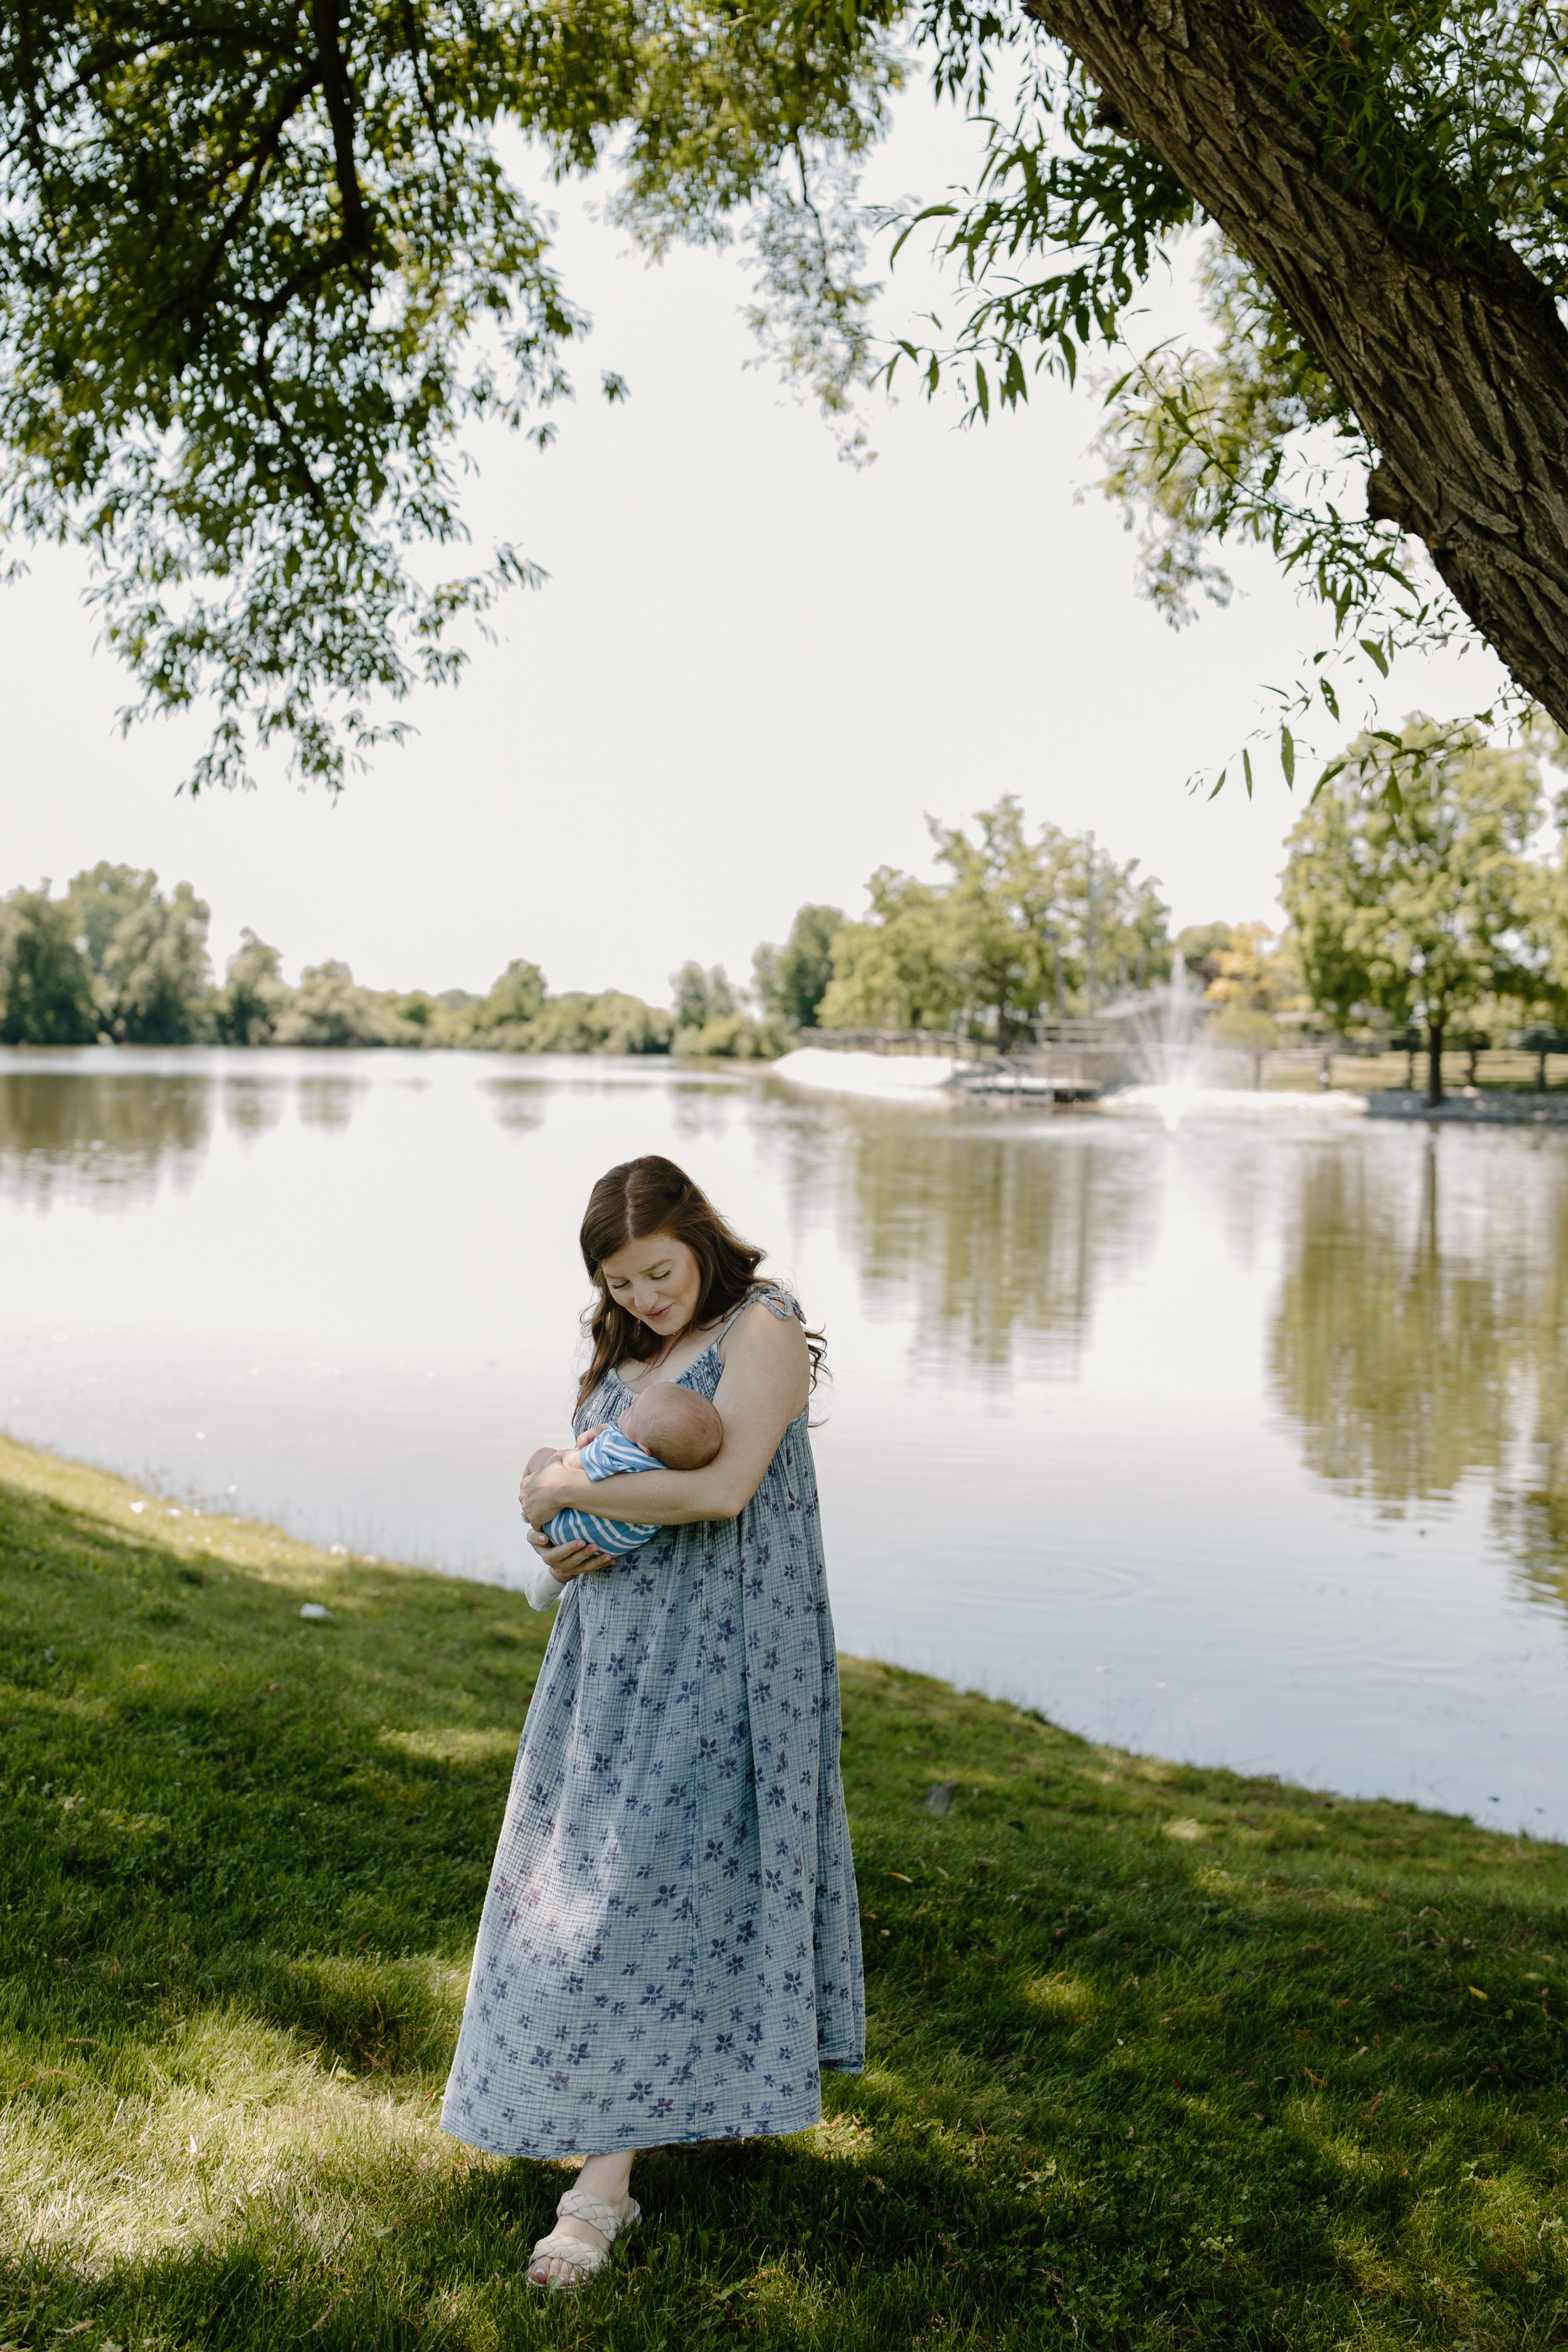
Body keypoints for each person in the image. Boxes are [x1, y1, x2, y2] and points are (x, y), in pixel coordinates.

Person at [440, 1153, 865, 2291]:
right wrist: (557, 1517)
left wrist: (564, 1494)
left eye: (660, 1273)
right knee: (591, 1879)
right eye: (623, 1284)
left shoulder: (762, 1326)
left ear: (701, 1240)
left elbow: (721, 1491)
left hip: (723, 1643)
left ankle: (598, 2195)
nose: (645, 1300)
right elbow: (601, 1470)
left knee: (633, 1891)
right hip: (612, 1647)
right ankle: (652, 2096)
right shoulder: (633, 1346)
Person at [516, 1384, 724, 1610]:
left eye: (636, 1410)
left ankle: (531, 1508)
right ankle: (556, 1577)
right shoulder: (668, 1469)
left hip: (568, 1526)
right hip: (612, 1544)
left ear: (644, 1447)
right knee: (586, 1548)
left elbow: (574, 1465)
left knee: (543, 1455)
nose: (633, 1401)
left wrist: (561, 1458)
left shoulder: (619, 1447)